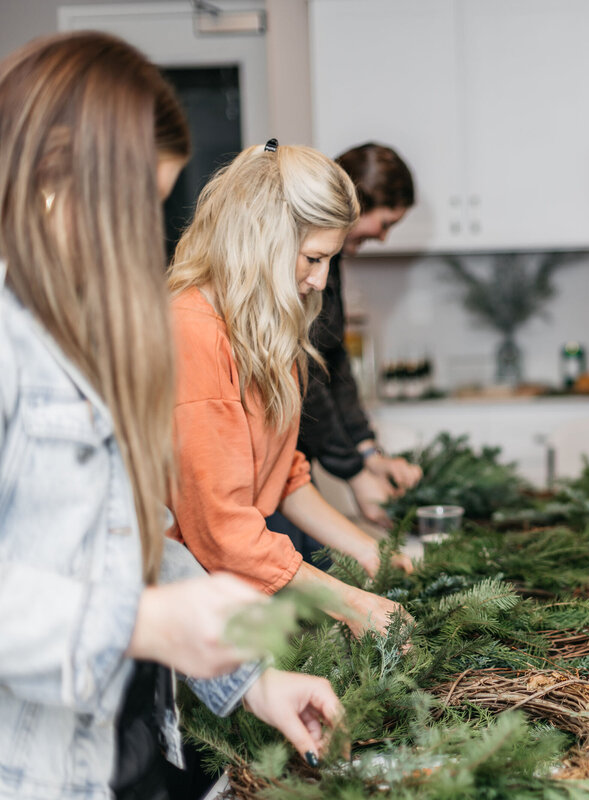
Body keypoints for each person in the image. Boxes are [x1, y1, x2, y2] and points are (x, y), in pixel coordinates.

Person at [0, 31, 343, 800]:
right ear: (52, 172)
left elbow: (138, 536)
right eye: (129, 208)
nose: (137, 241)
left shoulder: (78, 332)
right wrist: (139, 624)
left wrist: (255, 681)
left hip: (131, 751)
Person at [166, 142, 413, 638]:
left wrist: (370, 552)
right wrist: (352, 604)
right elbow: (223, 533)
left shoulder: (259, 330)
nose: (321, 281)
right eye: (314, 258)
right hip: (184, 607)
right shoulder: (192, 333)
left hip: (234, 592)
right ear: (264, 238)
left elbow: (283, 476)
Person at [280, 143, 421, 554]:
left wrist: (367, 451)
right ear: (359, 202)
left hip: (295, 469)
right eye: (385, 222)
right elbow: (304, 371)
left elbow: (333, 359)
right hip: (273, 468)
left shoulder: (326, 265)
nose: (383, 236)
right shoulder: (299, 267)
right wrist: (355, 474)